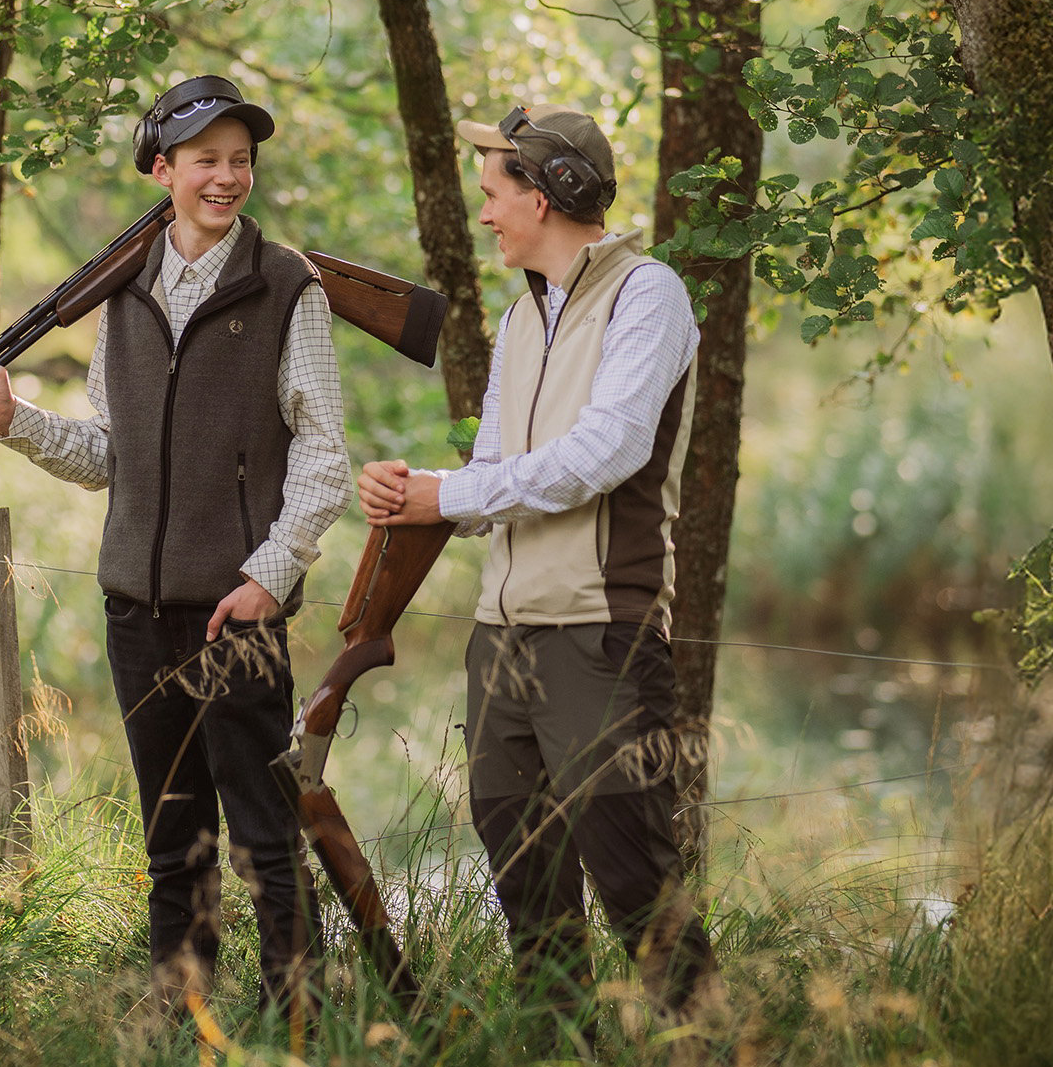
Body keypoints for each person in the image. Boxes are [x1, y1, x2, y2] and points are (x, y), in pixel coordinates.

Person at [0, 75, 345, 1026]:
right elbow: (109, 455)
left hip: (235, 612)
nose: (229, 178)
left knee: (264, 844)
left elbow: (325, 457)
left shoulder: (289, 286)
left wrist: (268, 577)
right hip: (136, 613)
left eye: (241, 159)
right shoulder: (123, 296)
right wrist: (11, 419)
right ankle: (183, 1029)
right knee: (175, 846)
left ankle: (310, 1033)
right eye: (207, 160)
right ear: (163, 169)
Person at [358, 102, 722, 1052]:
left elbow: (607, 449)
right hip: (503, 637)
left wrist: (453, 492)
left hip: (600, 630)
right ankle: (558, 1046)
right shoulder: (523, 318)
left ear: (548, 194)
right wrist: (418, 489)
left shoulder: (649, 296)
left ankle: (713, 1044)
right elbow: (487, 481)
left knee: (636, 878)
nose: (485, 215)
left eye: (495, 195)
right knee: (526, 876)